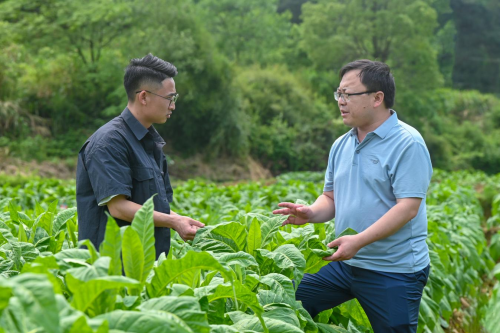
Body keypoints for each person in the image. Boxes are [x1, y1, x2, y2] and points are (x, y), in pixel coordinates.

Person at [273, 59, 432, 333]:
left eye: (348, 94)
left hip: (393, 270)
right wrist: (311, 213)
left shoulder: (408, 143)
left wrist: (358, 241)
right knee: (285, 304)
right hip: (344, 263)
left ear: (377, 98)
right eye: (339, 94)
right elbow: (331, 198)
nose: (340, 101)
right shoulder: (341, 144)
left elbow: (407, 209)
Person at [76, 53, 204, 259]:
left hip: (145, 266)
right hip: (112, 268)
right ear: (143, 96)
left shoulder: (149, 142)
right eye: (170, 99)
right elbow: (118, 207)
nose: (173, 106)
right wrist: (173, 222)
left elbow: (153, 207)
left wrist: (181, 219)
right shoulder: (109, 141)